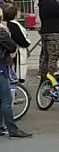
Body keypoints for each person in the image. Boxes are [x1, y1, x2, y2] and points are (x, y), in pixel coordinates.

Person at [0, 10, 32, 139]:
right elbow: (12, 46)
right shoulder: (1, 31)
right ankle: (12, 129)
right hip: (1, 65)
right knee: (6, 99)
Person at [38, 0, 59, 80]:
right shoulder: (52, 4)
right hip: (54, 32)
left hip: (45, 31)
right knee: (53, 55)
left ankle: (43, 76)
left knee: (45, 55)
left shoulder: (41, 4)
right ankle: (51, 76)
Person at [2, 4, 30, 81]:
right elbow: (18, 37)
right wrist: (26, 43)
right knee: (18, 68)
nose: (20, 13)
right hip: (18, 50)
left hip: (18, 48)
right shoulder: (13, 25)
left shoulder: (12, 24)